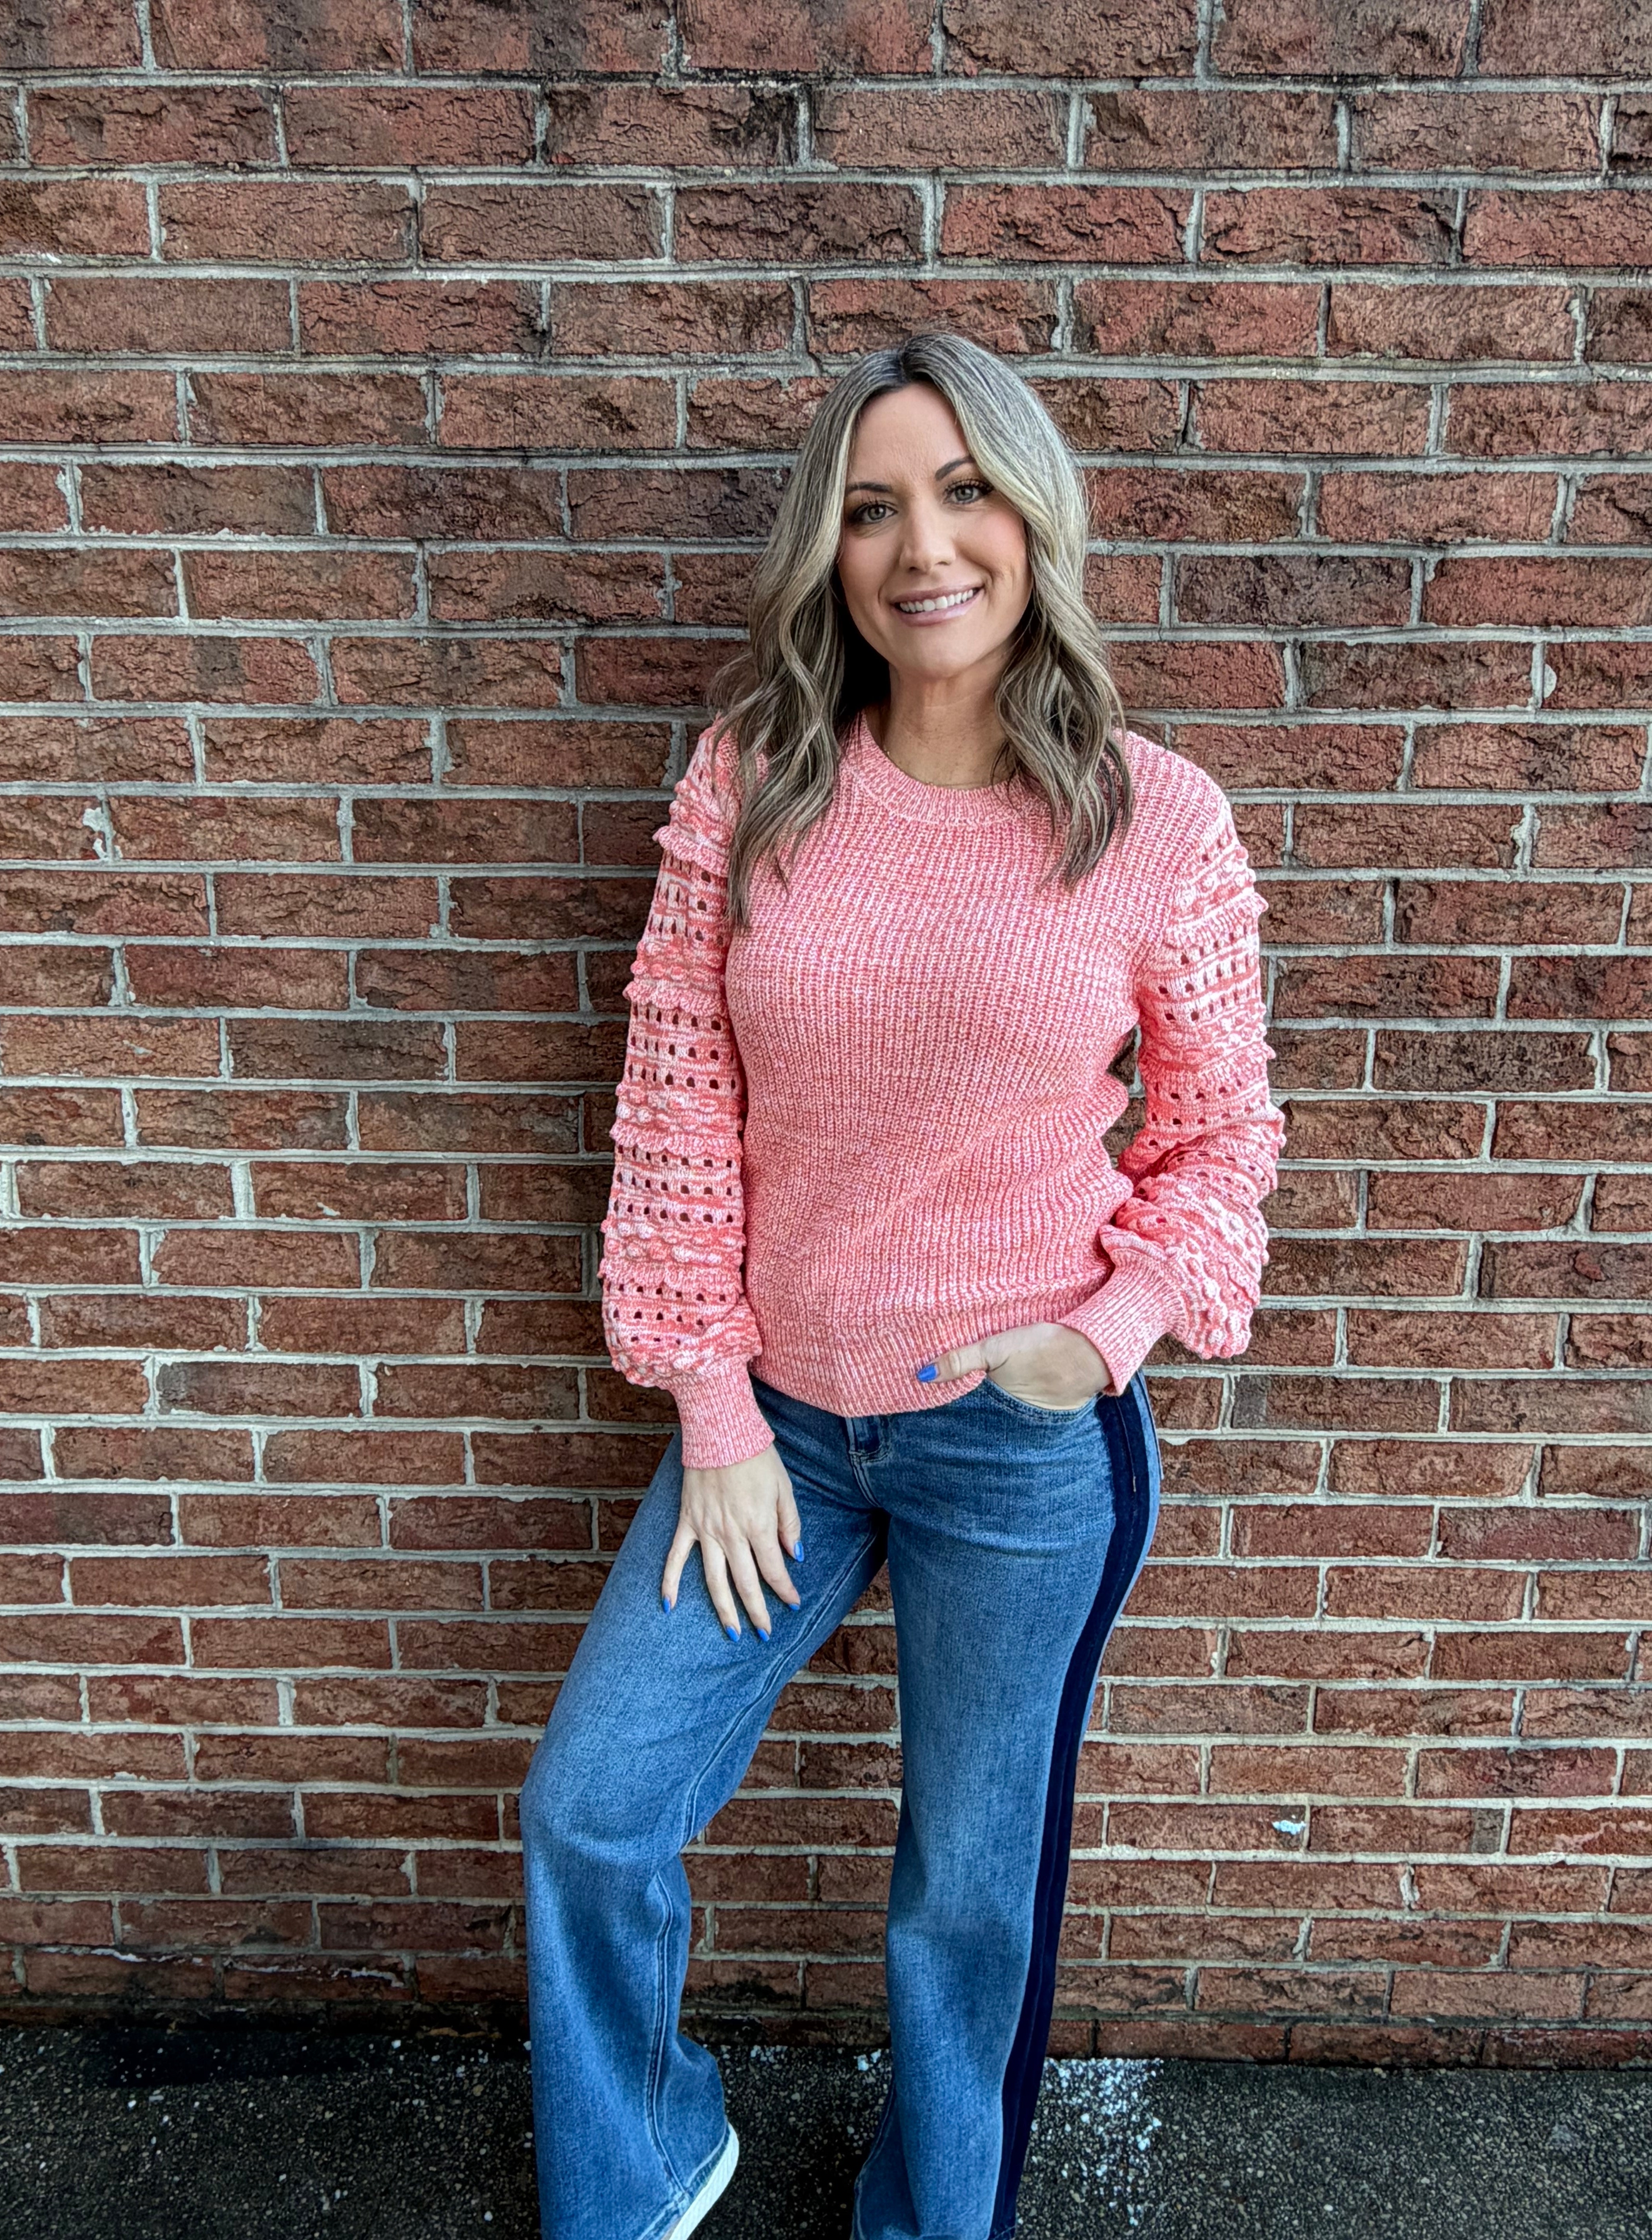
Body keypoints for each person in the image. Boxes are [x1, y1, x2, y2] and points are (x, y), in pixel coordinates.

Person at [518, 331, 1285, 2240]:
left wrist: (1100, 1338)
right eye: (871, 509)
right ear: (828, 552)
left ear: (1033, 520)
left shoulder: (1156, 820)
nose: (923, 547)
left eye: (963, 493)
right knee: (593, 1809)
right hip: (777, 1427)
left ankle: (935, 2220)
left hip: (1019, 1446)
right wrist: (713, 1408)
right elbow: (677, 1109)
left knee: (969, 1894)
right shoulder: (757, 781)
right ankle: (640, 2166)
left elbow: (1225, 1139)